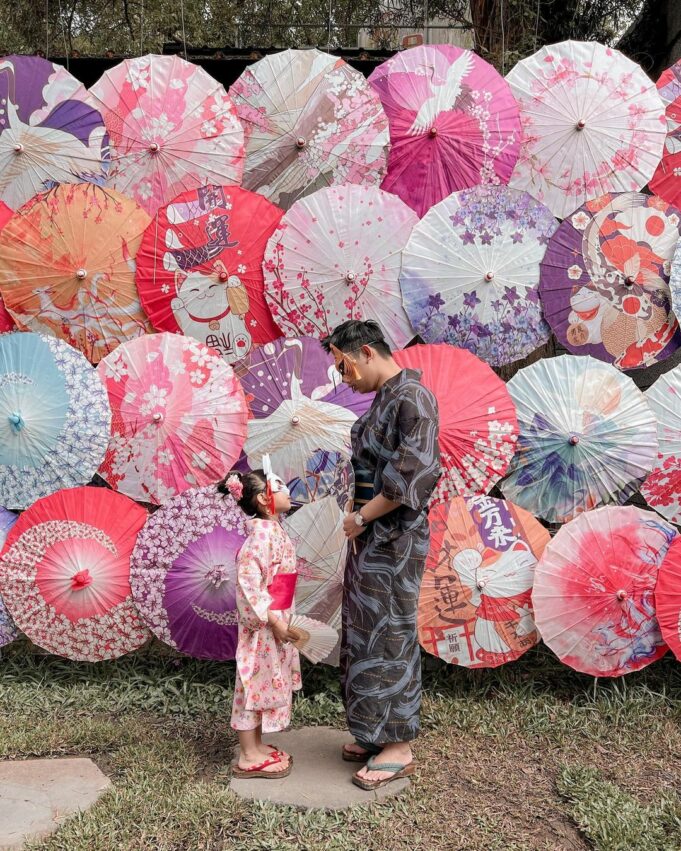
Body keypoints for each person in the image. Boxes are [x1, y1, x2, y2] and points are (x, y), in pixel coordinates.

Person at [321, 320, 440, 791]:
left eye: (344, 366)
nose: (343, 377)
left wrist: (363, 517)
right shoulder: (386, 398)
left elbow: (415, 472)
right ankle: (373, 729)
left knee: (390, 629)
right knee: (366, 628)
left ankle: (398, 744)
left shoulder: (414, 400)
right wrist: (357, 515)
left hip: (394, 532)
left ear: (367, 352)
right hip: (371, 531)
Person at [219, 460, 301, 779]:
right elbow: (249, 583)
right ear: (265, 499)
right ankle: (248, 754)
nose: (287, 489)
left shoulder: (272, 530)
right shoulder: (260, 537)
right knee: (250, 682)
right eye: (279, 486)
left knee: (262, 682)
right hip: (265, 621)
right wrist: (274, 619)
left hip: (275, 615)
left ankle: (256, 744)